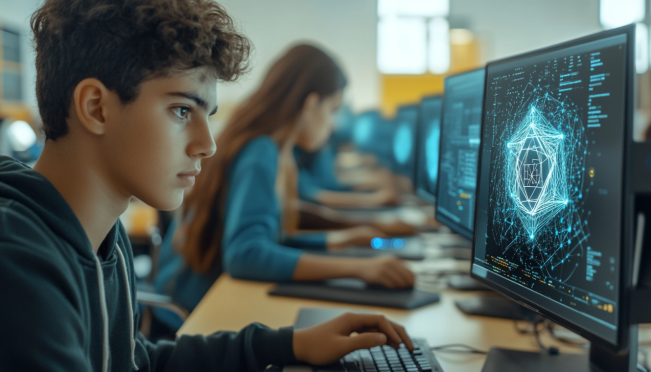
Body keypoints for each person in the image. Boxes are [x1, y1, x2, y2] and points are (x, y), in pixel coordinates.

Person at [0, 1, 414, 371]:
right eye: (182, 110)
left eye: (207, 115)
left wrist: (290, 344)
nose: (208, 145)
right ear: (96, 107)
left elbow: (137, 360)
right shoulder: (20, 267)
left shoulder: (105, 237)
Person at [155, 45, 415, 328]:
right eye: (332, 110)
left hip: (206, 299)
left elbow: (268, 238)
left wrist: (340, 240)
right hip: (189, 312)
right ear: (310, 104)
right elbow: (245, 255)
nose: (332, 125)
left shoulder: (275, 150)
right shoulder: (260, 151)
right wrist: (359, 268)